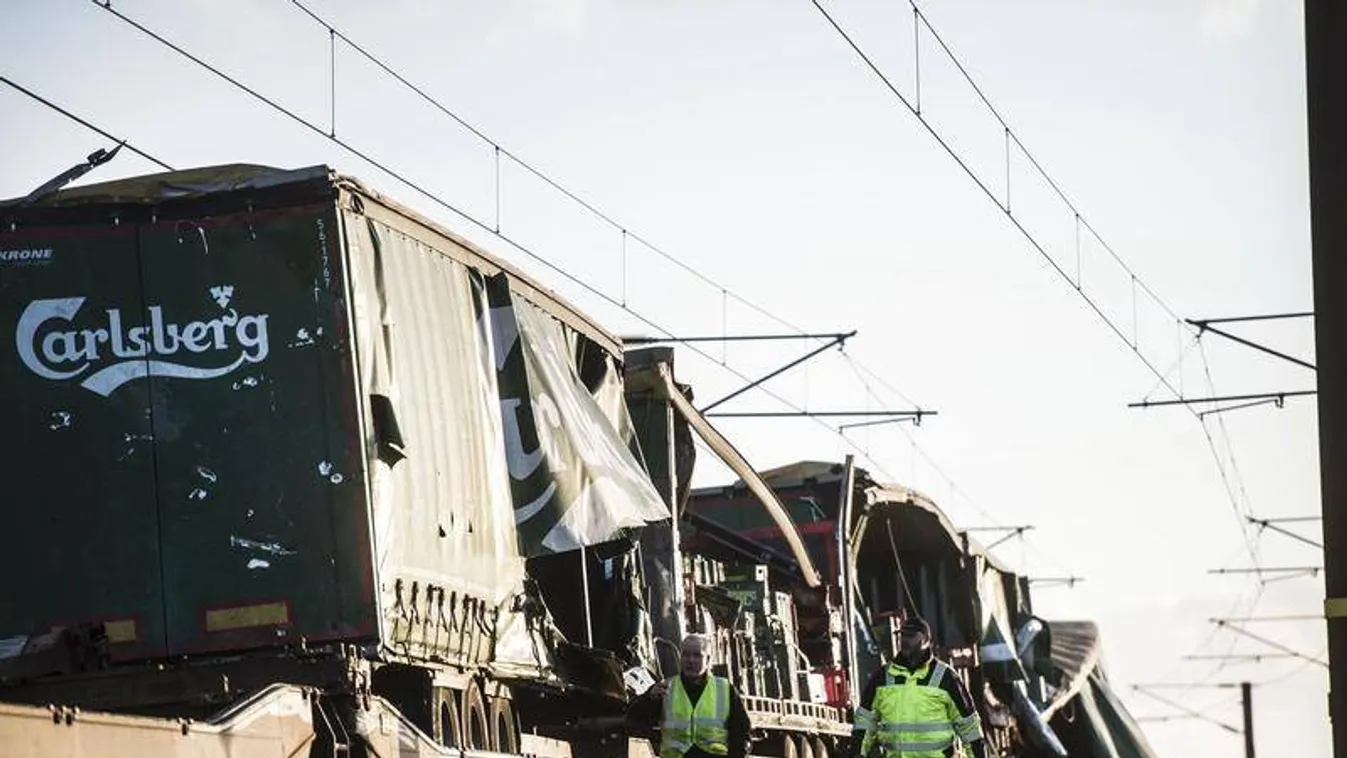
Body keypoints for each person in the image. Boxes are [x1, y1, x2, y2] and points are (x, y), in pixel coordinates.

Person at [852, 617, 986, 758]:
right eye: (902, 635)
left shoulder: (945, 677)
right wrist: (858, 754)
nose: (904, 641)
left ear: (926, 640)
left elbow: (969, 726)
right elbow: (865, 721)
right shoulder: (882, 677)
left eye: (911, 636)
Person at [625, 634, 751, 758]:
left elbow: (741, 732)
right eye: (686, 655)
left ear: (707, 659)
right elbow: (634, 718)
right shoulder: (665, 687)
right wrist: (649, 698)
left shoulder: (724, 688)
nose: (690, 660)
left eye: (697, 655)